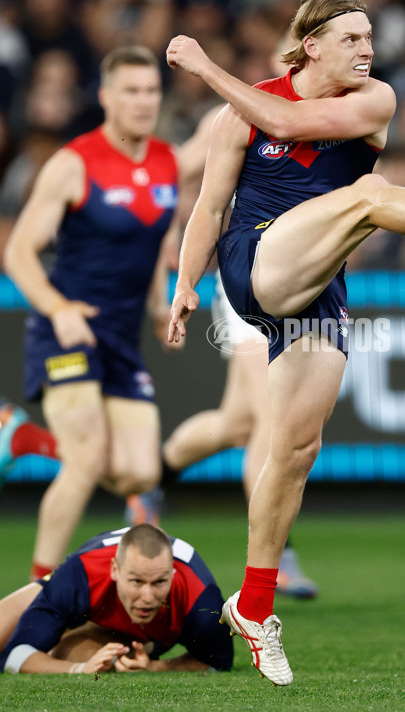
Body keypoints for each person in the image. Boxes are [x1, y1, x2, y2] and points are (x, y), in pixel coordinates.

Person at [164, 0, 405, 686]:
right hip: (257, 265)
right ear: (311, 46)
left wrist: (206, 66)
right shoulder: (241, 114)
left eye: (370, 38)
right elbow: (210, 208)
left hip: (318, 283)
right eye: (352, 39)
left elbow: (287, 116)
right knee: (369, 197)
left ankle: (254, 604)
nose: (368, 50)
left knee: (293, 450)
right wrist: (187, 283)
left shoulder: (374, 102)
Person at [126, 105, 319, 600]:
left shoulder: (333, 114)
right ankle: (280, 560)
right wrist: (169, 234)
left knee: (236, 423)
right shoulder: (240, 111)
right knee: (269, 423)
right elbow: (169, 172)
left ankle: (150, 482)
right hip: (246, 278)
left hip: (297, 284)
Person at [2, 45, 180, 581]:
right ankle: (39, 592)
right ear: (106, 97)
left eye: (151, 90)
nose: (143, 101)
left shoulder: (167, 161)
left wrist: (157, 306)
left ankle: (27, 440)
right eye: (131, 90)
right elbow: (17, 252)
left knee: (141, 471)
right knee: (85, 461)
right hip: (68, 331)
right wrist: (57, 309)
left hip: (122, 339)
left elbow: (150, 244)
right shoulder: (74, 162)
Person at [0, 523, 233, 674]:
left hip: (145, 634)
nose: (148, 597)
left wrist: (156, 666)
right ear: (114, 570)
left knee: (76, 653)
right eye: (137, 582)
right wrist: (81, 669)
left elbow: (218, 662)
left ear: (172, 572)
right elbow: (14, 654)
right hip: (84, 601)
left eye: (160, 582)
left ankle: (62, 637)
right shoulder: (80, 575)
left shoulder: (201, 601)